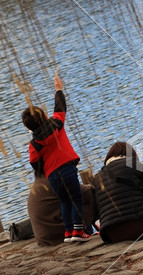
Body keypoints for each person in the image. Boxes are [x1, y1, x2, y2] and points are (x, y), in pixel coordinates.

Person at [21, 73, 90, 242]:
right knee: (76, 199)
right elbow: (60, 107)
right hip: (67, 168)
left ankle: (68, 232)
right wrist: (58, 89)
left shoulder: (34, 144)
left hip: (52, 175)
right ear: (45, 116)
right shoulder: (57, 124)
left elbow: (34, 163)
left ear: (28, 127)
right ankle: (79, 232)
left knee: (64, 202)